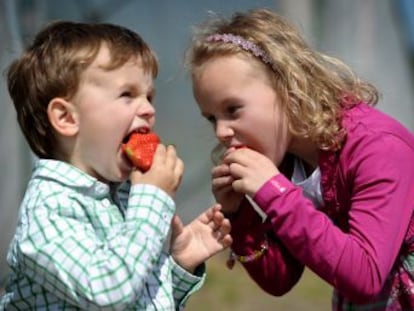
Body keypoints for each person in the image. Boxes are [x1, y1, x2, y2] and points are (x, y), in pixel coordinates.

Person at [185, 7, 414, 310]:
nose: (222, 131)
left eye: (233, 109)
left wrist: (276, 194)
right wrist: (240, 215)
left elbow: (365, 277)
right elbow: (280, 280)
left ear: (287, 86)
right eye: (212, 118)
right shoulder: (288, 158)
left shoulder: (377, 148)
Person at [0, 20, 232, 310]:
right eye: (127, 94)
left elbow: (135, 299)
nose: (149, 109)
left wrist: (179, 265)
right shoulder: (48, 210)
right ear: (67, 118)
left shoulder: (122, 196)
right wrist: (152, 199)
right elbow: (107, 293)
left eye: (149, 96)